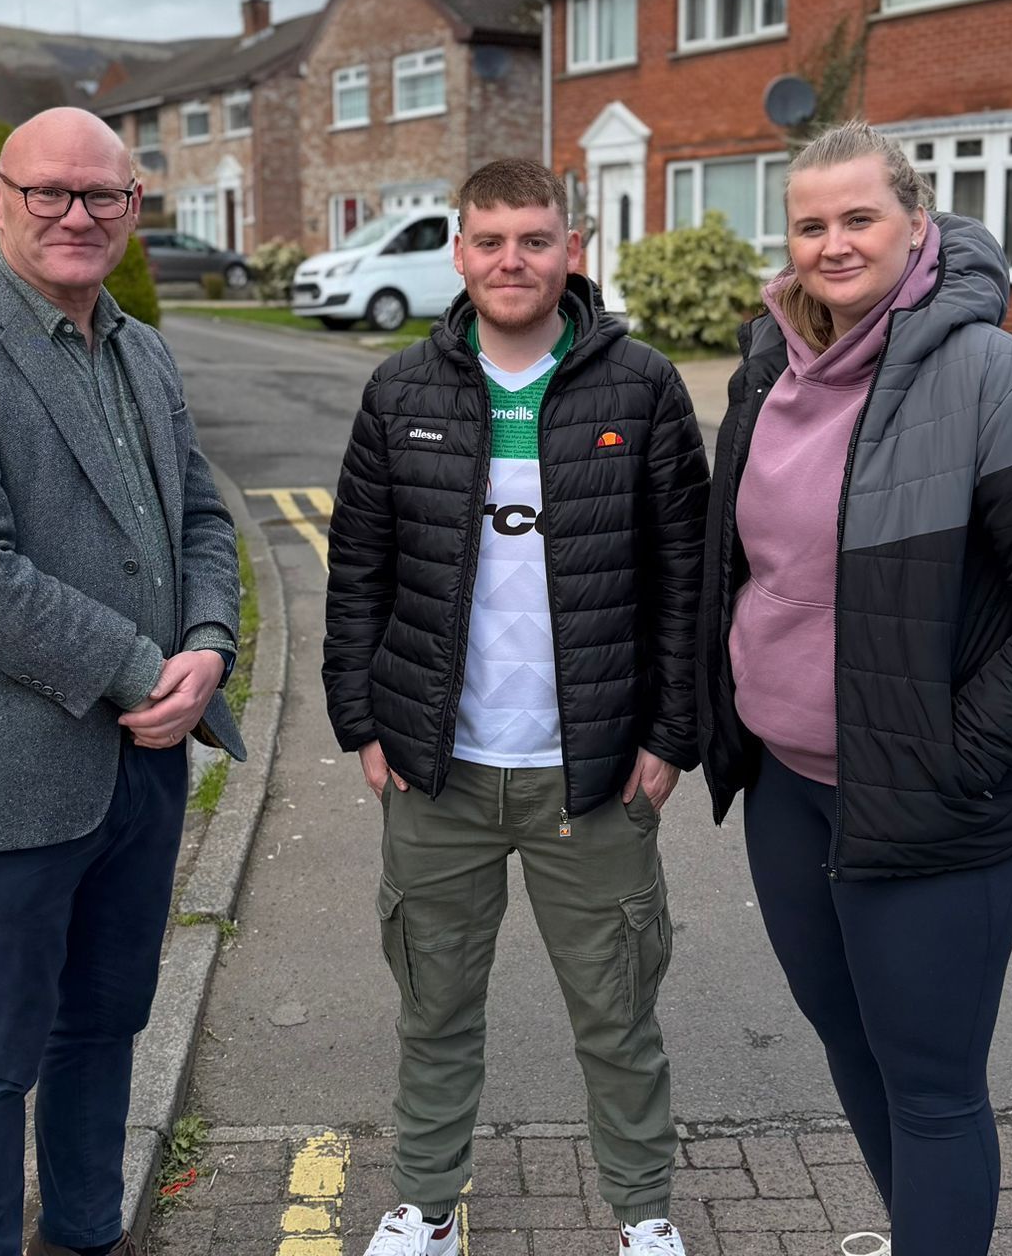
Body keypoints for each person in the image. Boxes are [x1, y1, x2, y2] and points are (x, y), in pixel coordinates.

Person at [697, 122, 1012, 1256]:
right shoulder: (770, 369)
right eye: (811, 223)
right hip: (788, 792)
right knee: (853, 1044)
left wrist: (947, 751)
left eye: (859, 218)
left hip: (930, 807)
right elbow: (752, 569)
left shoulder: (999, 376)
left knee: (934, 1083)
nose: (834, 242)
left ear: (915, 222)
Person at [0, 107, 245, 1256]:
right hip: (11, 768)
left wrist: (212, 641)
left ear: (134, 206)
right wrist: (140, 667)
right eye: (51, 192)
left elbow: (201, 515)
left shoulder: (142, 344)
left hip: (148, 763)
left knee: (108, 1023)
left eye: (104, 195)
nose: (78, 215)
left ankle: (84, 1232)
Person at [324, 158, 709, 1256]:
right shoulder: (400, 390)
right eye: (489, 239)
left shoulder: (640, 387)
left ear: (571, 248)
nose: (511, 260)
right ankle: (429, 1205)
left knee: (618, 1013)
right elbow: (359, 566)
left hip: (591, 776)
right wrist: (361, 718)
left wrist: (671, 735)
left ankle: (643, 1217)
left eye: (534, 239)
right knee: (434, 1008)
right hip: (436, 770)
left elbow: (687, 578)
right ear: (459, 252)